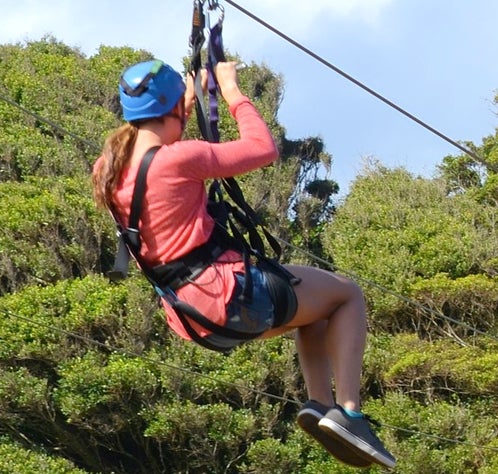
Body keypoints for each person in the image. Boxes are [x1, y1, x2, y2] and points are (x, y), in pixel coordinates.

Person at [92, 58, 395, 469]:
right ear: (173, 111)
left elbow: (167, 167)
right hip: (228, 295)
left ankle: (320, 406)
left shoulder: (109, 169)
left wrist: (181, 103)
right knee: (346, 295)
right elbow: (261, 150)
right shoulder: (178, 159)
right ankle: (350, 412)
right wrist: (231, 91)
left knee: (314, 312)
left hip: (188, 315)